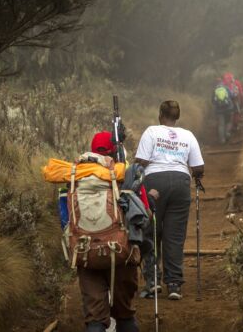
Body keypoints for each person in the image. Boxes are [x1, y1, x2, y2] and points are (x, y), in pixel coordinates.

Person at [135, 100, 205, 300]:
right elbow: (199, 168)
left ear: (160, 115)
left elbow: (141, 162)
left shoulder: (151, 132)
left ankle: (153, 282)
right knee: (174, 236)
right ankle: (174, 284)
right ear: (178, 116)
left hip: (154, 183)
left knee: (151, 232)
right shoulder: (188, 135)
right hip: (181, 184)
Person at [77, 131, 140, 332]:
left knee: (95, 318)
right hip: (121, 253)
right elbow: (142, 215)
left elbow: (64, 217)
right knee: (125, 314)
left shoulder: (74, 176)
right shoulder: (122, 173)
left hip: (86, 252)